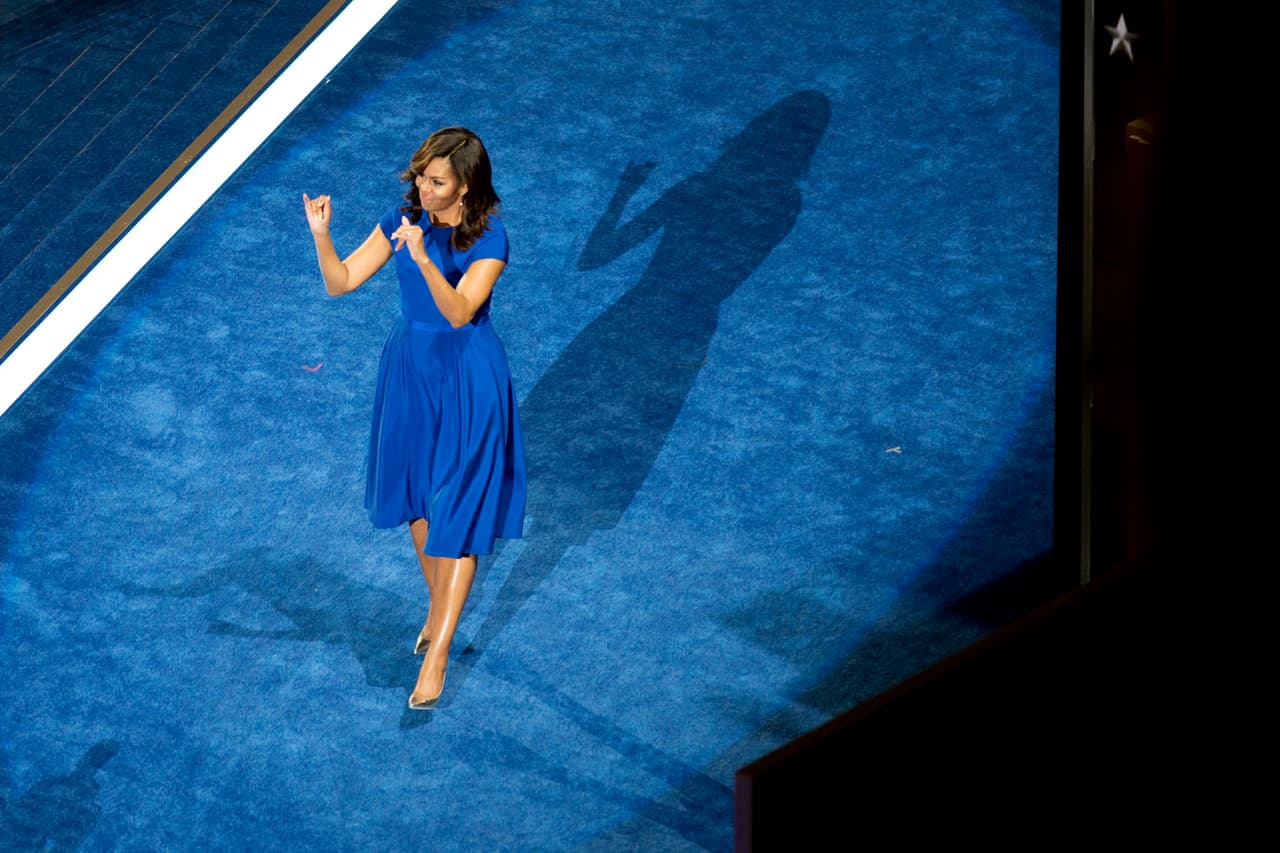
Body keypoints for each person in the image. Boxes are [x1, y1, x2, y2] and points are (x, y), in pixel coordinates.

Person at [302, 127, 526, 710]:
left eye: (436, 181)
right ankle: (438, 609)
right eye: (421, 177)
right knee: (418, 501)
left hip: (469, 379)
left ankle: (440, 650)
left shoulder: (491, 238)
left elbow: (458, 313)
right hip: (409, 372)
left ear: (465, 185)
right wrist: (323, 237)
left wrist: (425, 259)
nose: (422, 190)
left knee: (461, 511)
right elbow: (341, 282)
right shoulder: (402, 217)